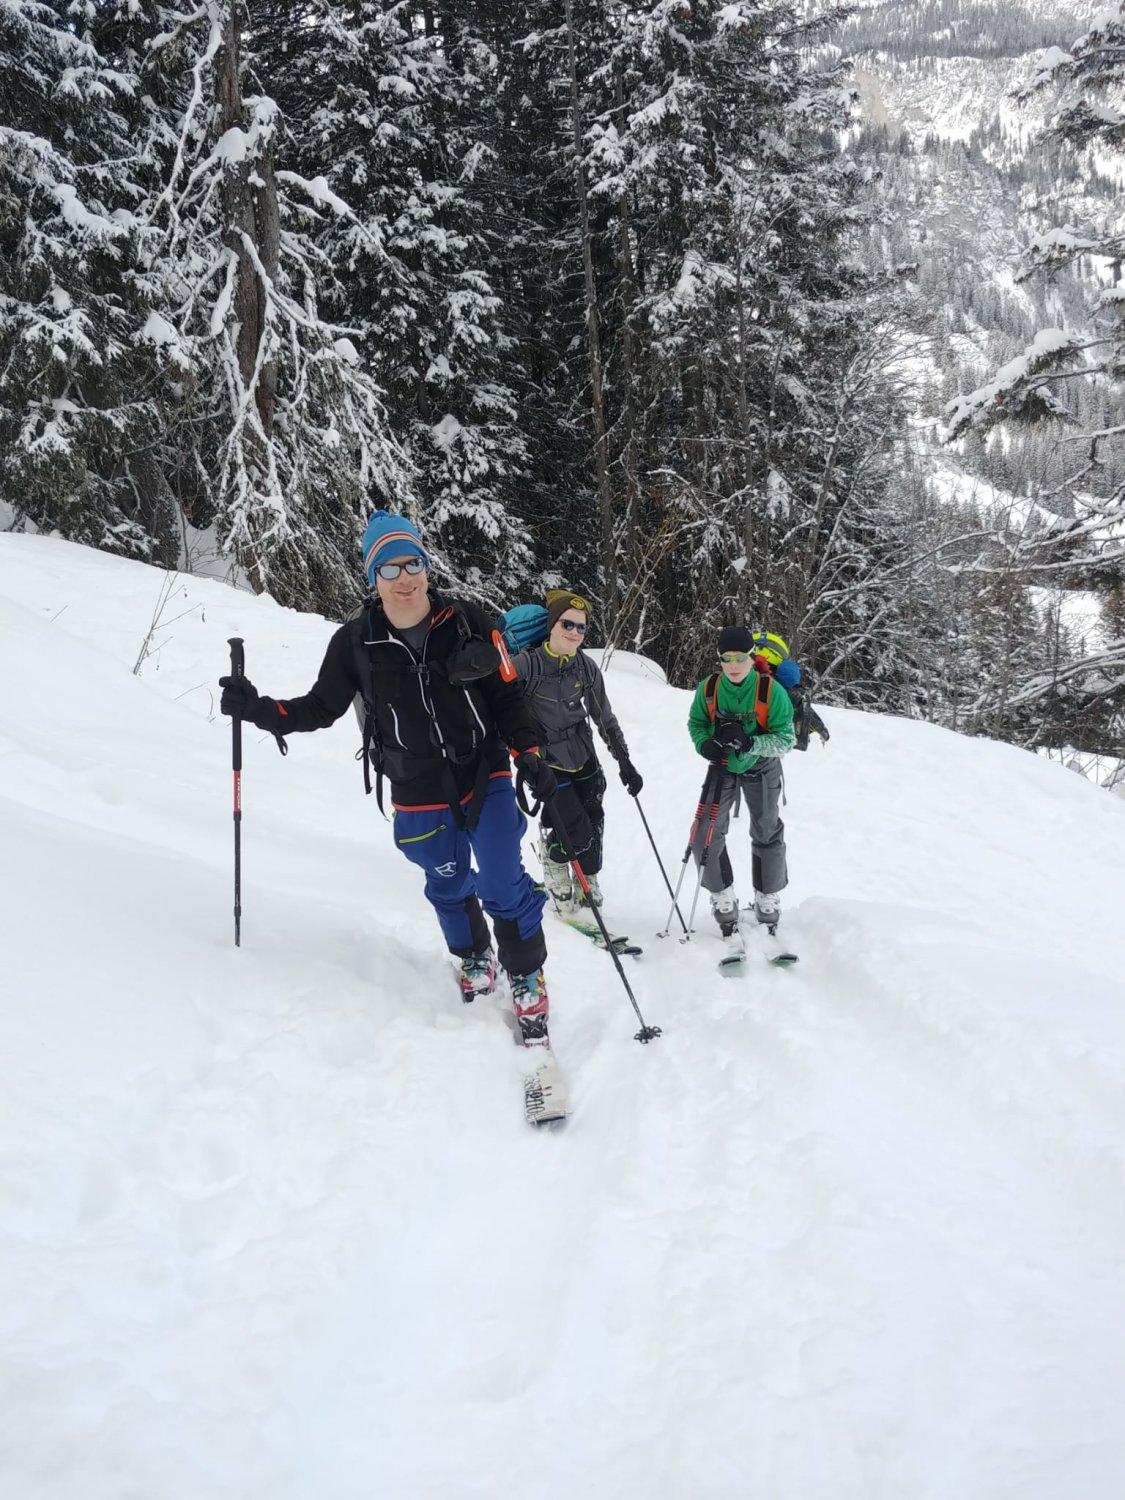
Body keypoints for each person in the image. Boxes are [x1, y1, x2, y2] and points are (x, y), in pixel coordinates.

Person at [218, 510, 559, 1046]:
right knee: (447, 881)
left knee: (499, 877)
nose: (405, 579)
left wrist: (530, 754)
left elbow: (507, 696)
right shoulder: (356, 642)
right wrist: (258, 710)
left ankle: (526, 972)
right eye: (389, 568)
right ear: (372, 576)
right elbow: (319, 708)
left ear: (427, 565)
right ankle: (475, 956)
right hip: (415, 786)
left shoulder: (470, 621)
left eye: (413, 563)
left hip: (483, 769)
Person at [510, 589, 643, 917]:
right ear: (552, 625)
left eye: (581, 627)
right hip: (546, 762)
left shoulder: (585, 668)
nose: (574, 632)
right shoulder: (527, 664)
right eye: (567, 624)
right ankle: (555, 861)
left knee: (594, 820)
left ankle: (588, 877)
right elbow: (501, 707)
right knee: (575, 828)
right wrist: (523, 745)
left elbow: (603, 717)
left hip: (583, 755)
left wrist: (624, 760)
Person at [686, 624, 796, 953]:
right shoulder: (709, 689)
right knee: (705, 831)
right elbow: (696, 723)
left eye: (740, 658)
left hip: (761, 765)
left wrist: (751, 742)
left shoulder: (770, 691)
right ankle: (722, 897)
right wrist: (705, 744)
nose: (733, 665)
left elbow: (786, 739)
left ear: (752, 657)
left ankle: (767, 897)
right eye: (726, 658)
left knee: (766, 829)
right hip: (722, 765)